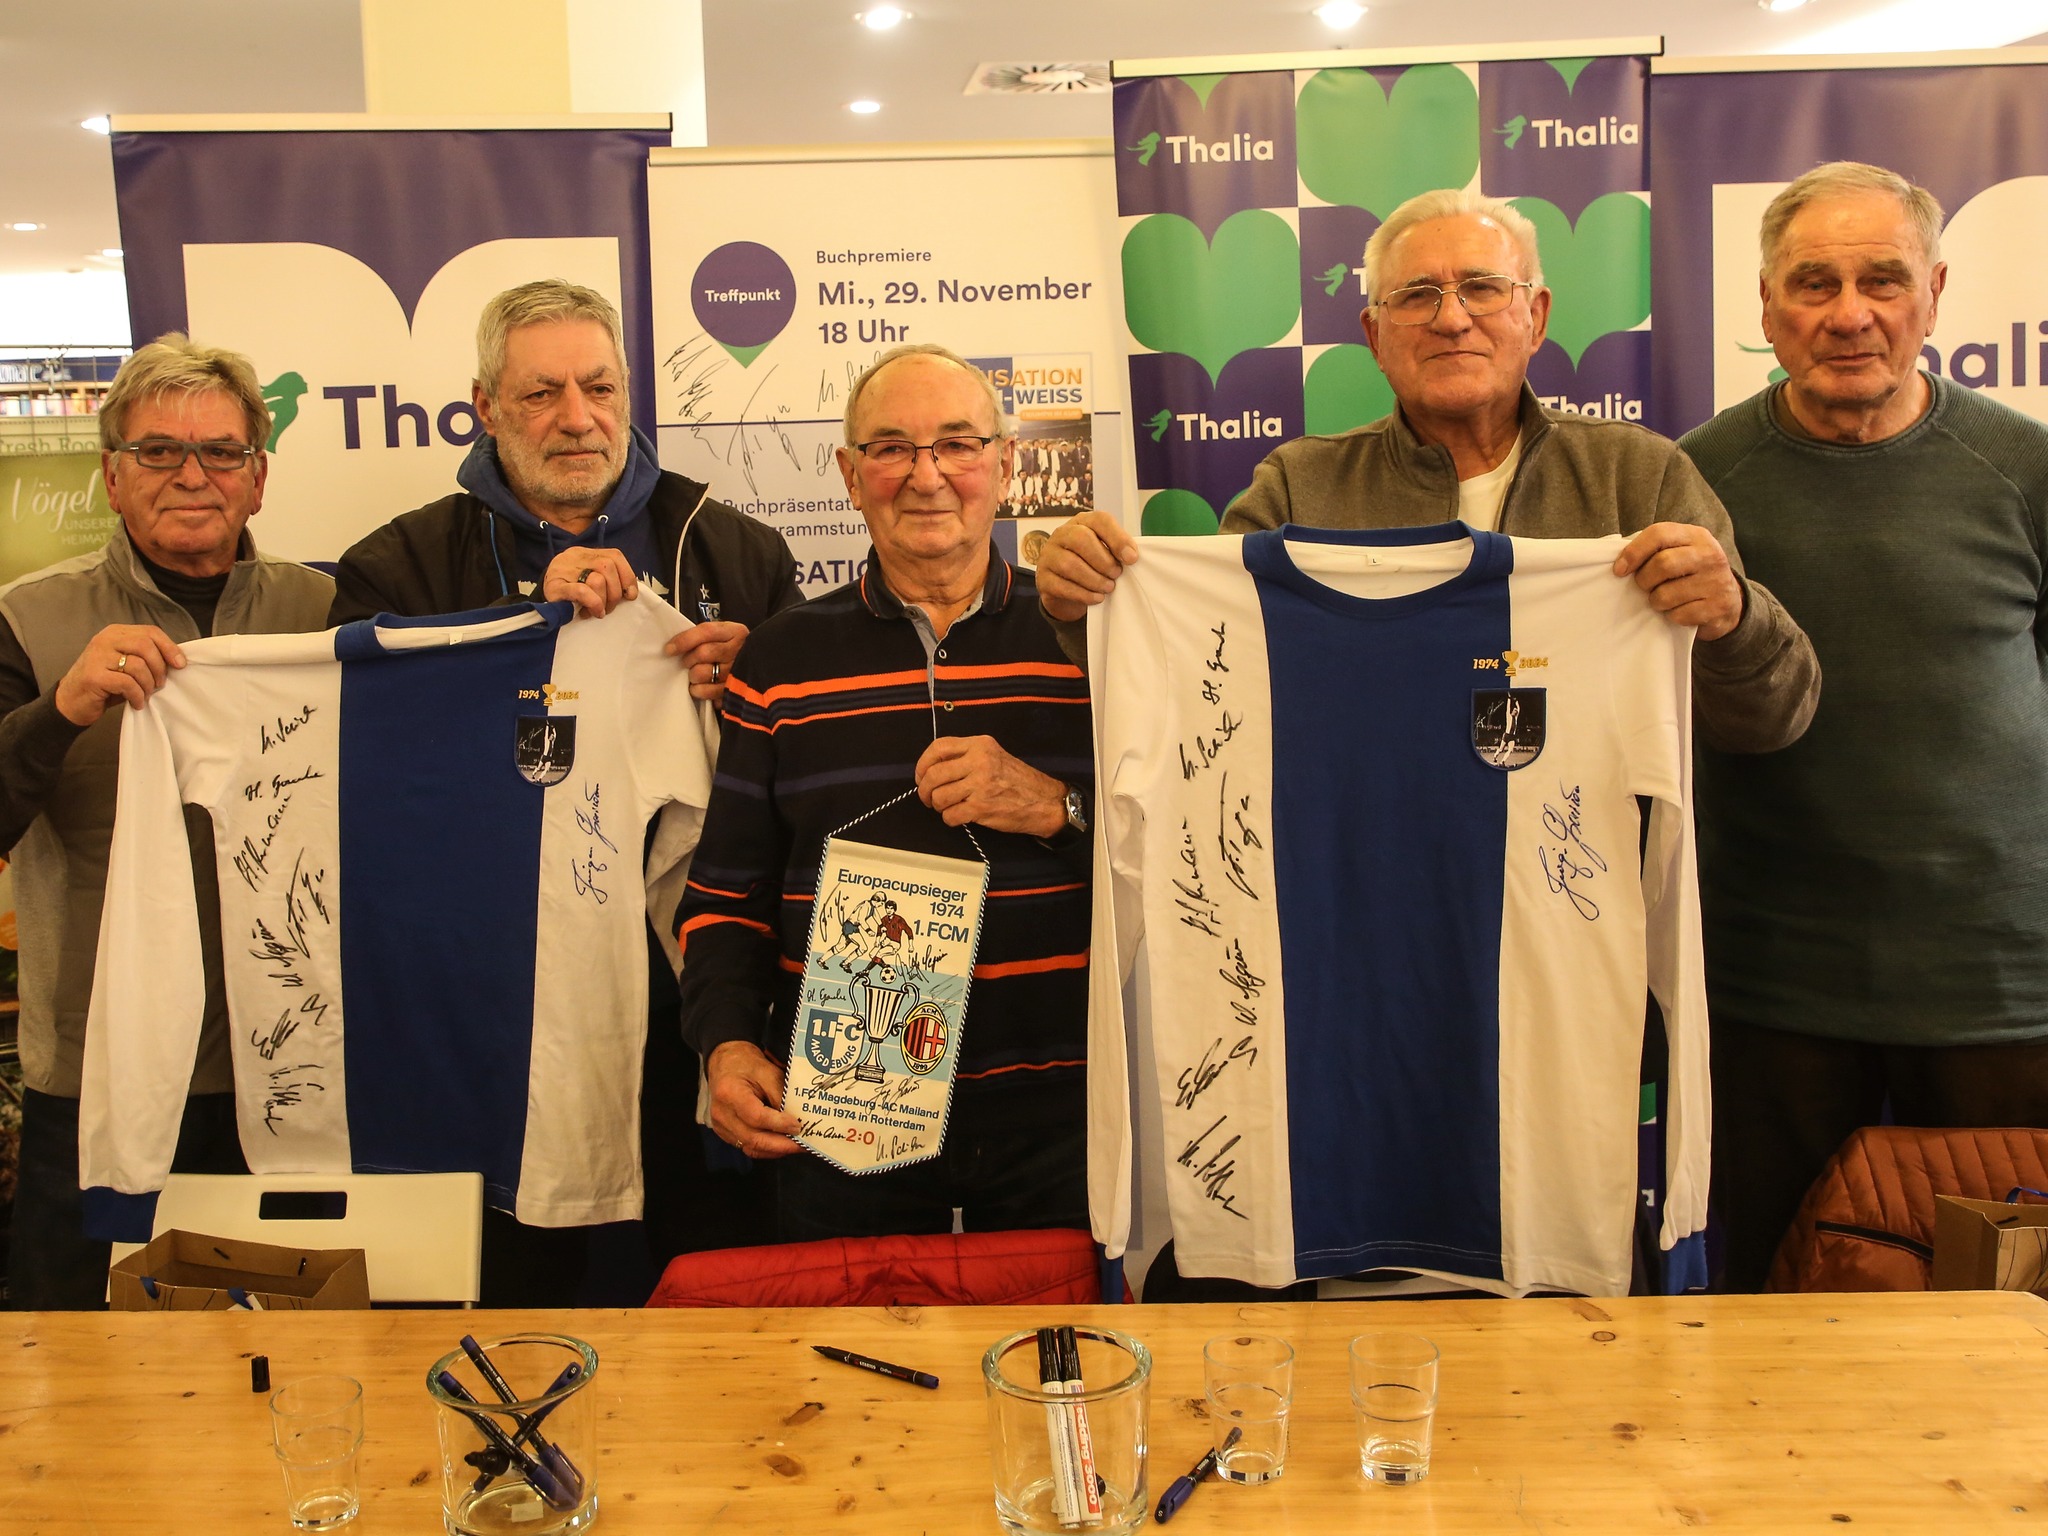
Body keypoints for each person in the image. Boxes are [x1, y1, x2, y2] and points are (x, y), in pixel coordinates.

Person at [328, 280, 803, 1300]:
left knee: (710, 1284)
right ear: (483, 404)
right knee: (513, 1291)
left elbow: (816, 760)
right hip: (494, 1002)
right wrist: (508, 639)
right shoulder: (397, 566)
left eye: (598, 386)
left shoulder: (736, 549)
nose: (577, 418)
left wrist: (765, 677)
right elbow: (367, 780)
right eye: (541, 393)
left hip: (696, 990)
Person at [1037, 186, 1820, 757]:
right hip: (1363, 890)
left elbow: (1770, 720)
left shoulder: (1638, 477)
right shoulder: (1296, 488)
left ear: (1536, 316)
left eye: (1482, 288)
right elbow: (1201, 689)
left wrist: (1732, 619)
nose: (1452, 318)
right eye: (1417, 296)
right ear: (1375, 336)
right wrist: (1090, 607)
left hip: (1578, 900)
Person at [1678, 161, 2048, 1291]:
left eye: (1881, 279)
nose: (1849, 313)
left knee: (2005, 1303)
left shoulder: (2024, 468)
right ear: (1763, 307)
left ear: (1931, 293)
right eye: (1812, 283)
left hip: (1996, 979)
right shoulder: (1692, 478)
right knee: (1772, 1296)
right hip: (1768, 980)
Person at [675, 343, 1094, 1240]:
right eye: (892, 448)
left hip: (1064, 1121)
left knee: (1061, 1371)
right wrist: (728, 1043)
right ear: (849, 473)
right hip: (841, 1129)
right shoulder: (779, 662)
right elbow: (723, 898)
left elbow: (1191, 862)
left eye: (958, 444)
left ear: (1009, 464)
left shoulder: (1091, 646)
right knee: (847, 1378)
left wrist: (1059, 810)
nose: (927, 475)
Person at [0, 335, 333, 1308]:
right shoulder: (29, 620)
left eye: (221, 452)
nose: (192, 475)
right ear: (111, 473)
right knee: (77, 1361)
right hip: (96, 1076)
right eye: (158, 452)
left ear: (258, 478)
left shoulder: (320, 613)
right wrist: (62, 708)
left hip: (285, 1072)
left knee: (287, 1342)